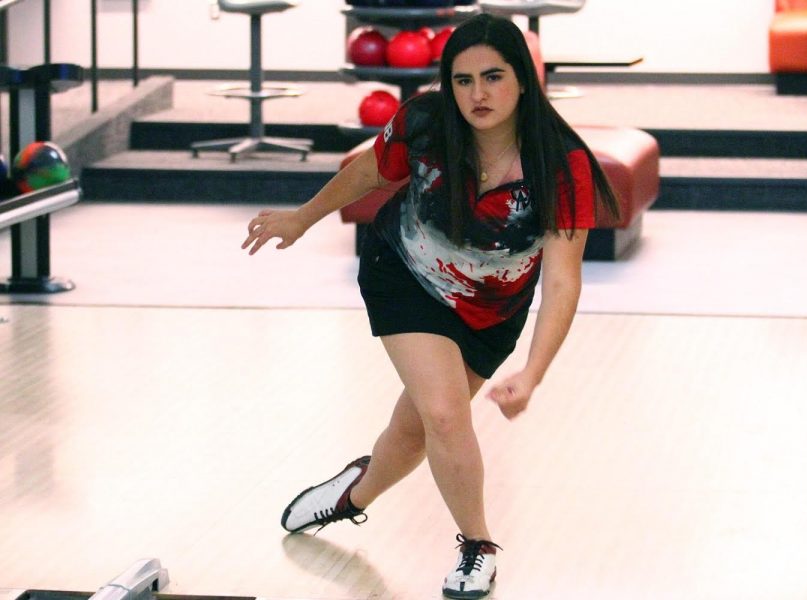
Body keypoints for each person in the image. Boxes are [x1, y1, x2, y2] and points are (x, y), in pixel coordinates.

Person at [241, 13, 619, 600]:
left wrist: (533, 373)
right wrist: (301, 218)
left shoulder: (559, 164)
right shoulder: (424, 122)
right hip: (405, 275)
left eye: (493, 77)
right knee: (445, 414)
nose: (477, 94)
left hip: (492, 311)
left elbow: (563, 282)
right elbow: (369, 169)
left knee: (416, 429)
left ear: (523, 79)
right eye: (463, 80)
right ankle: (478, 548)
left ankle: (351, 495)